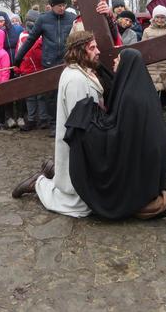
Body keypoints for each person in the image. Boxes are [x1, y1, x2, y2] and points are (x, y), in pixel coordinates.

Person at [64, 48, 166, 227]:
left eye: (118, 60)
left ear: (127, 64)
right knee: (136, 198)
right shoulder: (139, 88)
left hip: (142, 155)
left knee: (132, 205)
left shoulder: (131, 97)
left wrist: (88, 116)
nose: (114, 62)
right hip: (148, 152)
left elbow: (117, 132)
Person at [11, 31, 103, 217]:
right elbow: (80, 122)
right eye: (92, 48)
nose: (98, 51)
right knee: (79, 206)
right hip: (78, 144)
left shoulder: (82, 72)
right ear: (79, 52)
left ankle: (54, 170)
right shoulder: (76, 79)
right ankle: (39, 184)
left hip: (84, 143)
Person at [14, 0, 77, 135]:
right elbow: (31, 39)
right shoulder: (43, 19)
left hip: (67, 62)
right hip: (49, 62)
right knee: (51, 97)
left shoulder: (72, 18)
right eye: (59, 5)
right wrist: (19, 57)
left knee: (68, 93)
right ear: (52, 5)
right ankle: (54, 124)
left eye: (64, 5)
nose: (62, 8)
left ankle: (69, 122)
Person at [142, 5, 166, 128]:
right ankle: (156, 123)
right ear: (154, 18)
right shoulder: (147, 31)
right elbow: (143, 49)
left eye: (162, 17)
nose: (160, 20)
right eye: (157, 17)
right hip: (153, 68)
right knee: (154, 99)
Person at [16, 8, 47, 132]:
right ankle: (32, 119)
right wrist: (18, 67)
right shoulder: (22, 35)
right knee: (30, 96)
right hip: (26, 70)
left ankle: (43, 119)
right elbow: (20, 51)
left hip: (39, 69)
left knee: (41, 96)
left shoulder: (42, 36)